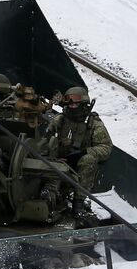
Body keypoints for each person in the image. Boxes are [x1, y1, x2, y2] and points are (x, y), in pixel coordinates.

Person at [42, 86, 111, 216]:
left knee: (88, 160)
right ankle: (49, 196)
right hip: (58, 159)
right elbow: (46, 140)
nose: (72, 107)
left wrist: (84, 152)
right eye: (70, 104)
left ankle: (78, 202)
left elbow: (105, 147)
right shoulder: (60, 119)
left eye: (76, 104)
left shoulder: (94, 124)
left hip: (78, 162)